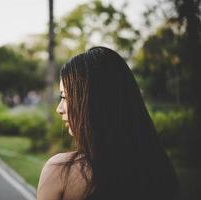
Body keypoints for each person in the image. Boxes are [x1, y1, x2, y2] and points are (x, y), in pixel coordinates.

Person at [37, 47, 180, 200]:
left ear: (95, 102)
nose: (59, 109)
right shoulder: (159, 171)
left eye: (65, 97)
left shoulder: (60, 172)